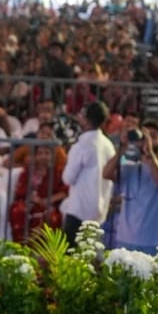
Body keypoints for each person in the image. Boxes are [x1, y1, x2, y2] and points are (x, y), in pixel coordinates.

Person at [101, 118, 158, 253]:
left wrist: (150, 155)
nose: (148, 140)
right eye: (145, 136)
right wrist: (122, 148)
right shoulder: (129, 168)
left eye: (153, 136)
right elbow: (106, 173)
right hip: (125, 241)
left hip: (154, 243)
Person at [60, 100, 115, 242]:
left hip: (79, 210)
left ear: (85, 119)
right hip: (100, 212)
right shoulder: (109, 145)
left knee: (70, 257)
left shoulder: (82, 145)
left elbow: (68, 177)